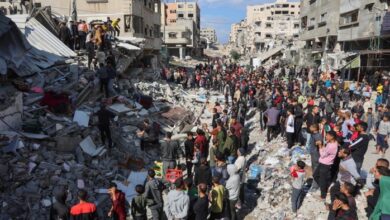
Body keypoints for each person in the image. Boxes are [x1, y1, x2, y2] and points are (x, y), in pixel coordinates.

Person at [313, 131, 338, 201]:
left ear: (332, 137)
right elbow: (325, 151)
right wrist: (323, 146)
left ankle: (323, 196)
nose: (326, 137)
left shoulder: (331, 146)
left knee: (322, 180)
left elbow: (323, 155)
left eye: (327, 135)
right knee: (315, 175)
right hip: (323, 163)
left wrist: (320, 146)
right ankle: (324, 188)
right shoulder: (331, 143)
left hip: (325, 164)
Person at [308, 124, 323, 192]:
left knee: (316, 170)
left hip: (316, 154)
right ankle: (315, 184)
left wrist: (318, 143)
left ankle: (315, 185)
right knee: (314, 168)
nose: (309, 127)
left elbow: (320, 143)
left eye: (311, 126)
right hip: (313, 153)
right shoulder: (313, 134)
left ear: (315, 128)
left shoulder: (318, 135)